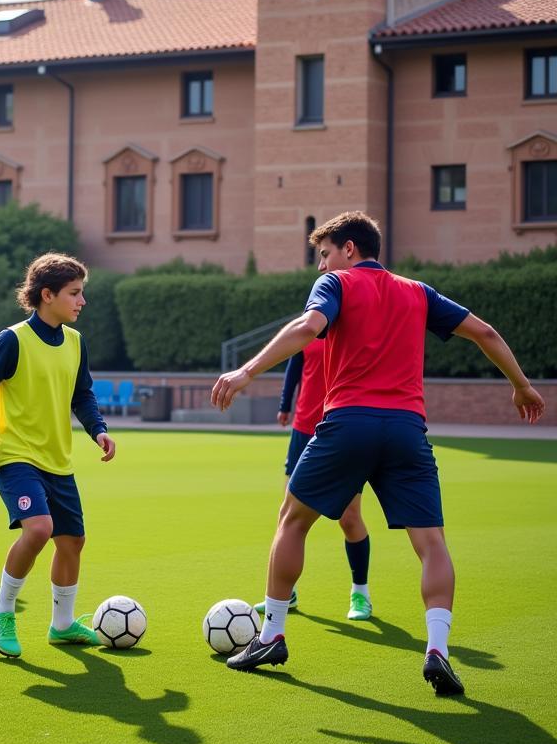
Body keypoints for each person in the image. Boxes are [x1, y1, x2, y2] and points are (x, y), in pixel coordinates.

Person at [211, 211, 545, 695]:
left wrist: (246, 372)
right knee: (431, 543)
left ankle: (272, 635)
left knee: (292, 520)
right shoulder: (418, 291)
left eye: (324, 255)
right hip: (409, 431)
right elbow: (486, 333)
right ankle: (437, 650)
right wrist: (521, 385)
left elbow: (308, 327)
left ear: (349, 248)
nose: (321, 267)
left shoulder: (339, 283)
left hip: (348, 423)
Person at [0, 253, 116, 658]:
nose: (82, 301)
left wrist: (98, 429)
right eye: (75, 293)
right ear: (46, 295)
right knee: (38, 528)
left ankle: (62, 625)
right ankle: (1, 612)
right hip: (14, 454)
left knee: (73, 542)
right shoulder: (12, 339)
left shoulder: (75, 342)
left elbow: (82, 393)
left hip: (57, 458)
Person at [256, 335, 373, 621]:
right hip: (304, 428)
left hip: (342, 430)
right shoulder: (310, 325)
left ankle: (361, 592)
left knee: (349, 516)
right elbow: (294, 366)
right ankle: (287, 591)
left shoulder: (357, 327)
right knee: (288, 515)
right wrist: (285, 404)